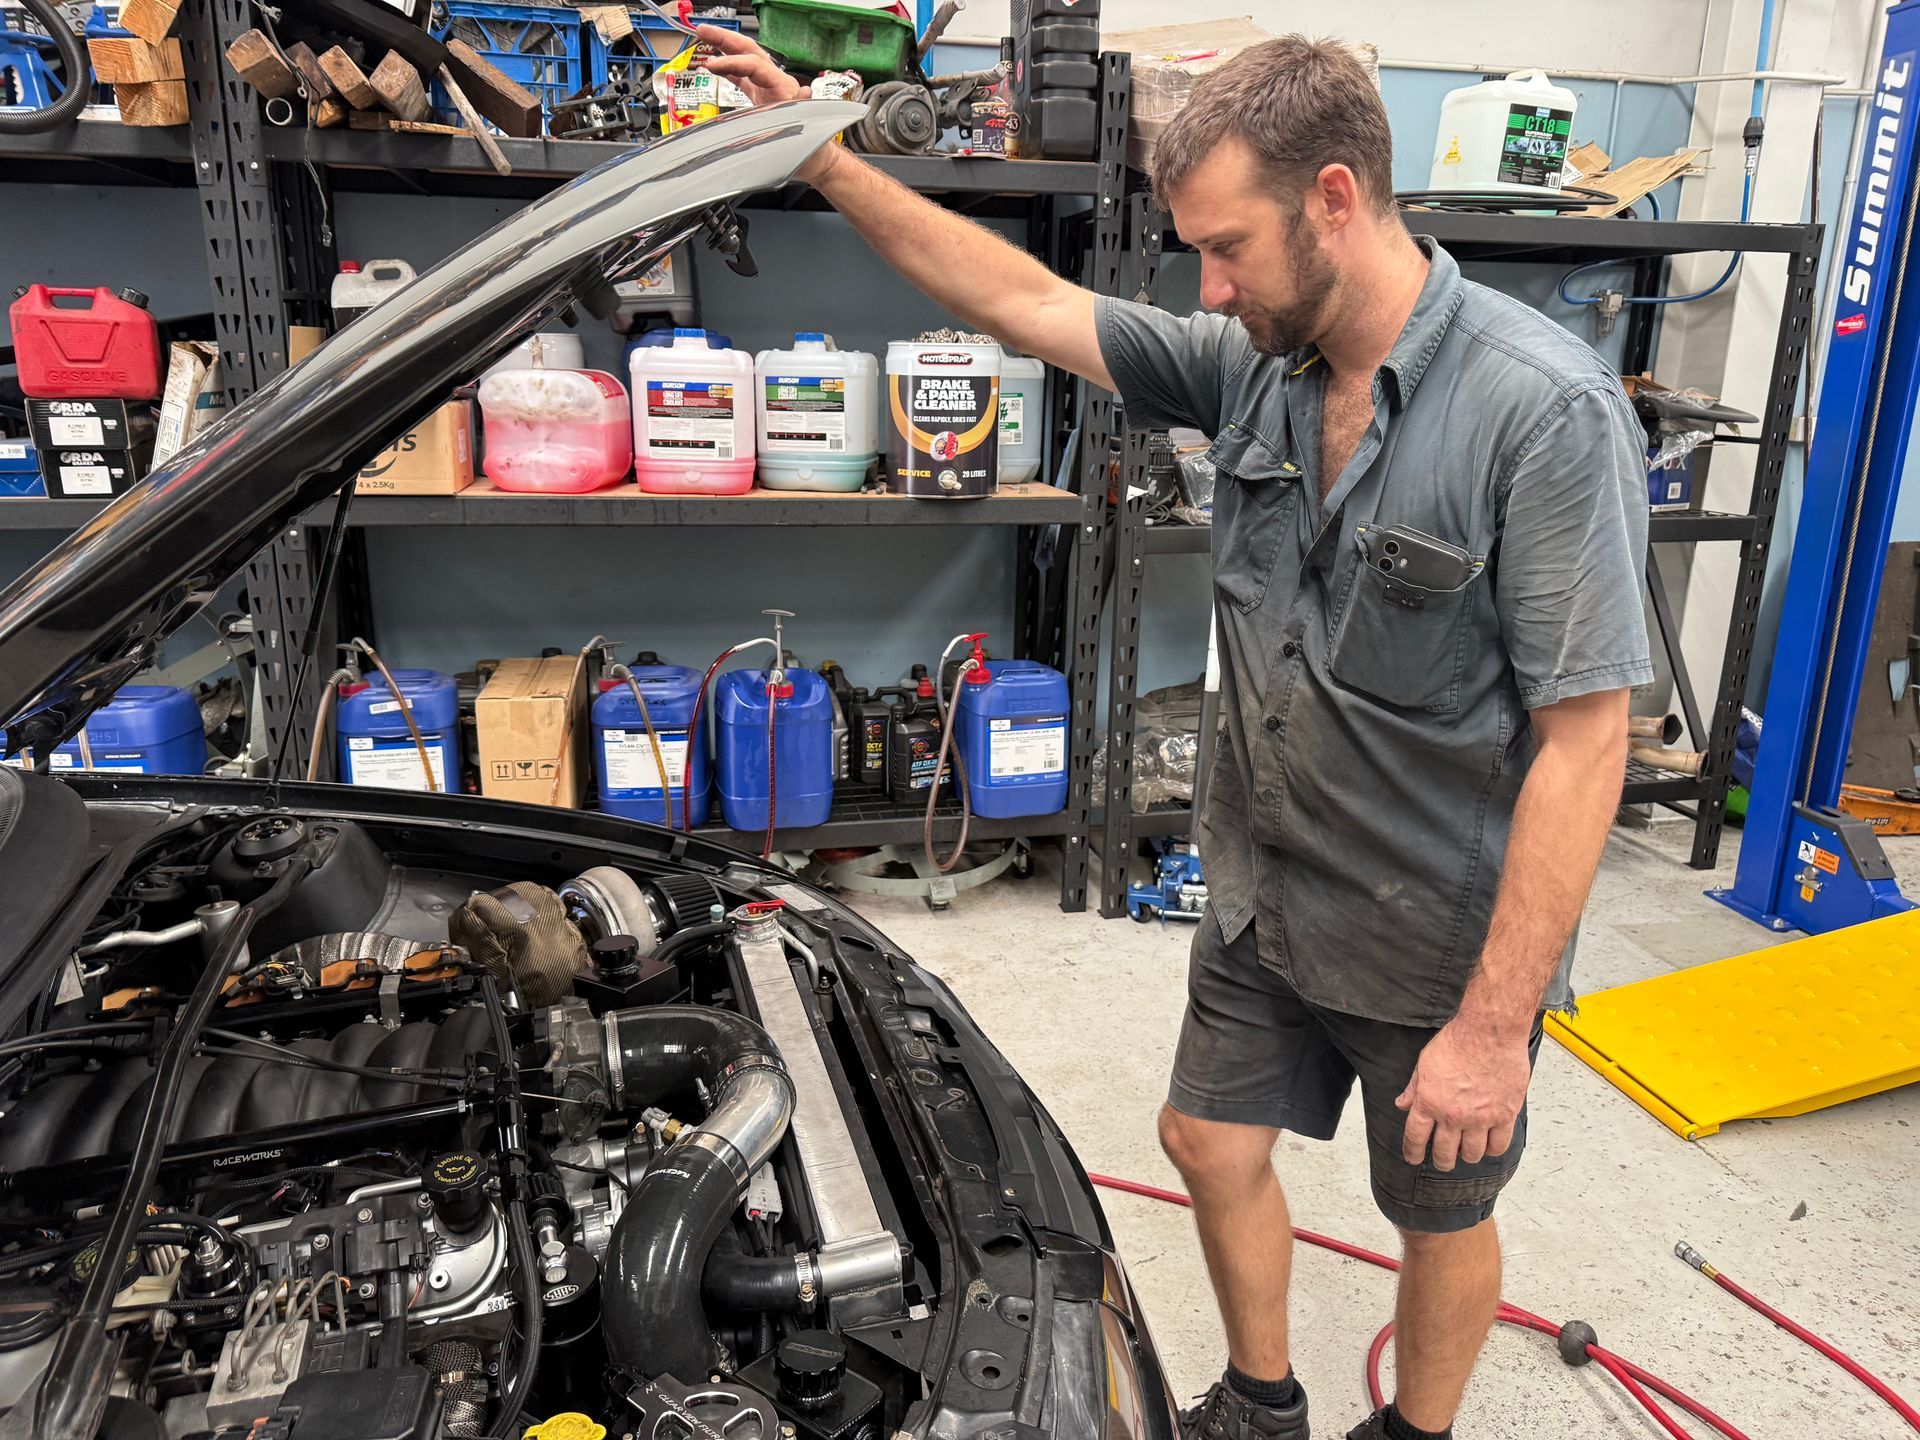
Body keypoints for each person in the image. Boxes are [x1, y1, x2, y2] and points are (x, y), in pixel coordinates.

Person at [698, 27, 1651, 1440]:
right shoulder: (1258, 364)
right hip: (1265, 884)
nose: (1207, 289)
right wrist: (825, 160)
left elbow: (1587, 744)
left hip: (1433, 926)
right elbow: (1017, 295)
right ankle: (1260, 1405)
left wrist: (1497, 1026)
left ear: (1336, 198)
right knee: (1207, 1142)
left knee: (1439, 1210)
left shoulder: (1539, 414)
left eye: (1227, 248)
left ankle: (1415, 1433)